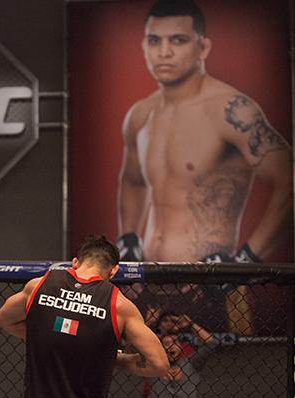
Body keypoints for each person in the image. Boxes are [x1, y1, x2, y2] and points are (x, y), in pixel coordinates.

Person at [116, 0, 292, 333]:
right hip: (151, 286)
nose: (164, 51)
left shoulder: (231, 110)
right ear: (144, 46)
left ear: (203, 46)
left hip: (214, 289)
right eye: (155, 41)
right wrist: (127, 238)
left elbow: (289, 178)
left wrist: (245, 262)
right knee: (148, 376)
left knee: (233, 378)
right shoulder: (141, 115)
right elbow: (132, 179)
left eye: (178, 40)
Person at [0, 234, 169, 398]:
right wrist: (114, 358)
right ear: (113, 271)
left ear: (75, 262)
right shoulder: (119, 306)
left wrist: (49, 338)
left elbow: (3, 319)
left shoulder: (38, 286)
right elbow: (159, 364)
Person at [149, 315, 219, 398]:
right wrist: (149, 322)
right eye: (166, 344)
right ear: (160, 349)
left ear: (181, 347)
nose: (171, 346)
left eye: (175, 342)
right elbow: (135, 344)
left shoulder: (191, 363)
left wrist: (191, 324)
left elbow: (211, 343)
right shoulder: (155, 365)